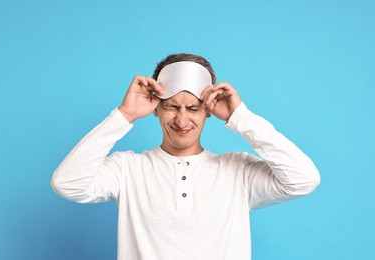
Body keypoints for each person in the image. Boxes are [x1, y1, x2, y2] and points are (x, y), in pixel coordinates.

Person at [51, 53, 320, 260]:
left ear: (208, 110)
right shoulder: (127, 169)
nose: (182, 119)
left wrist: (241, 118)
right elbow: (67, 183)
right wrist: (125, 115)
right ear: (155, 107)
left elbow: (304, 179)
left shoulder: (238, 170)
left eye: (192, 108)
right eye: (171, 107)